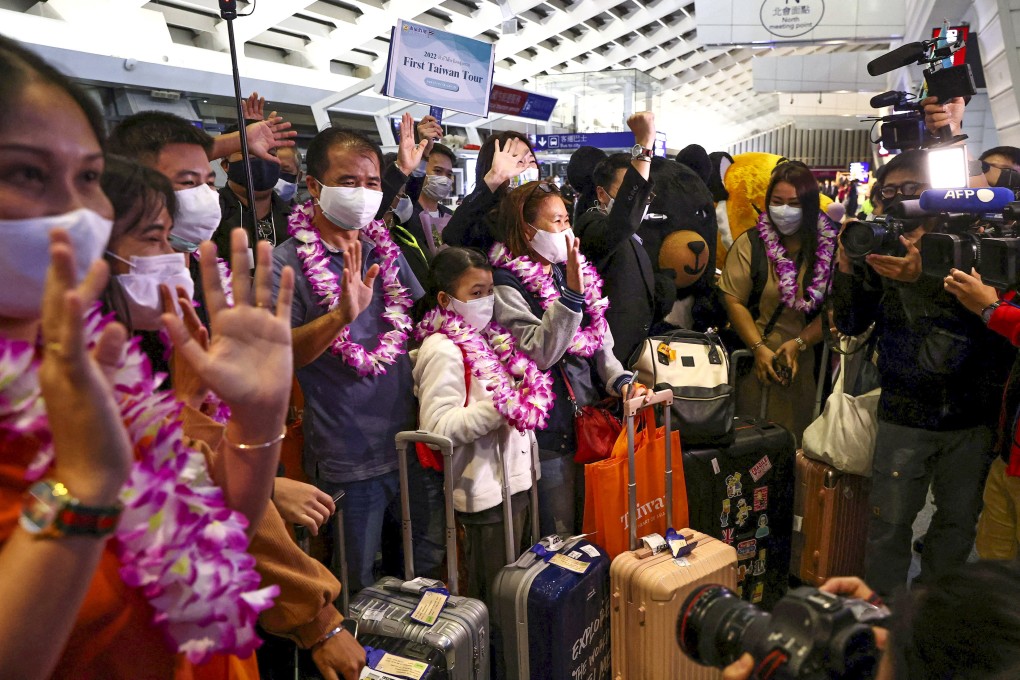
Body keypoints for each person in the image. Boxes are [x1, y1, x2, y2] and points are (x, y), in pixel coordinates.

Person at [0, 34, 294, 677]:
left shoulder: (92, 357)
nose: (79, 211)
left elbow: (213, 530)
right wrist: (78, 492)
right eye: (26, 172)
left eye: (86, 178)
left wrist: (258, 418)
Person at [98, 155, 366, 679]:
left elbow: (224, 500)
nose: (173, 257)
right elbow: (181, 495)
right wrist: (318, 620)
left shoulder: (152, 338)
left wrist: (251, 429)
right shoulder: (76, 382)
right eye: (154, 239)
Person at [272, 118, 448, 594]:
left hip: (408, 443)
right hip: (347, 455)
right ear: (314, 186)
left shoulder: (381, 247)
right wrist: (339, 317)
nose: (363, 193)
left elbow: (414, 323)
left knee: (419, 570)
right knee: (352, 584)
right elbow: (275, 356)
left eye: (372, 183)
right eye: (348, 183)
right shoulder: (285, 262)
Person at [832, 148, 1014, 599]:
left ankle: (934, 615)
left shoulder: (975, 242)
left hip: (972, 416)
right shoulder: (880, 246)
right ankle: (883, 619)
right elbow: (852, 323)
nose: (901, 199)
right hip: (903, 413)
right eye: (890, 191)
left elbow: (987, 322)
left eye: (913, 190)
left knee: (955, 525)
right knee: (888, 526)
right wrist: (847, 265)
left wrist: (924, 279)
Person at [490, 180, 645, 535]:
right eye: (555, 222)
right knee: (559, 534)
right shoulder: (505, 284)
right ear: (527, 229)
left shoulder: (566, 268)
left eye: (566, 220)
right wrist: (571, 297)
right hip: (551, 431)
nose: (565, 230)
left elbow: (598, 334)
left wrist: (619, 379)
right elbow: (542, 352)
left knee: (596, 523)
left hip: (590, 418)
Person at [412, 247, 546, 602]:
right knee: (494, 598)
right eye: (475, 293)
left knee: (516, 595)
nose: (486, 300)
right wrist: (501, 409)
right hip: (484, 495)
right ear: (445, 298)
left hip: (516, 484)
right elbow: (437, 427)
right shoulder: (442, 348)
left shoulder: (488, 337)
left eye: (489, 291)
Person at [720, 160, 837, 442]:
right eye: (778, 201)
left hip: (807, 368)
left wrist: (800, 344)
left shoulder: (829, 248)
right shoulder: (753, 243)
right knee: (753, 445)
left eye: (795, 203)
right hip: (755, 364)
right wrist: (758, 348)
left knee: (798, 445)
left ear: (809, 206)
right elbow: (732, 298)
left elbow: (836, 309)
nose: (785, 210)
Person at [574, 112, 661, 364]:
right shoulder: (591, 227)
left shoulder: (634, 233)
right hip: (606, 361)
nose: (638, 204)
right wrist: (644, 145)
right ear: (601, 194)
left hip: (632, 357)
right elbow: (622, 221)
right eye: (626, 193)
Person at [441, 130, 536, 252]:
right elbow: (452, 236)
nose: (527, 167)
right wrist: (494, 178)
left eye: (532, 161)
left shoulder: (544, 205)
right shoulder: (486, 216)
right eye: (519, 161)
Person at [214, 124, 294, 260]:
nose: (261, 158)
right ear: (226, 165)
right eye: (248, 152)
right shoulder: (210, 210)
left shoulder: (297, 215)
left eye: (270, 153)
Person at [403, 142, 457, 258]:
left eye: (449, 174)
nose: (444, 179)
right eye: (437, 171)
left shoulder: (450, 216)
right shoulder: (407, 213)